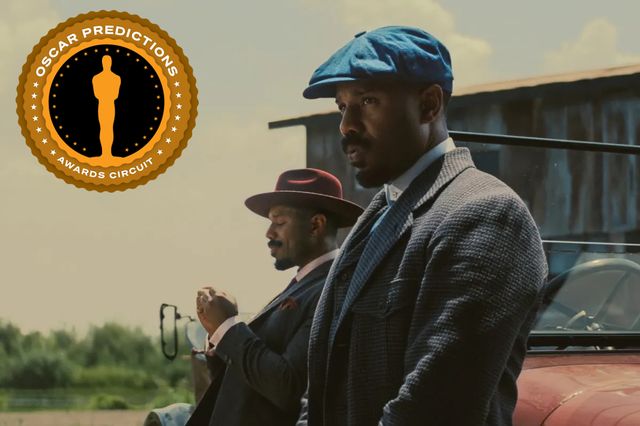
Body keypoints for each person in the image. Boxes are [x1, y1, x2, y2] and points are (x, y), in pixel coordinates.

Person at [297, 26, 548, 425]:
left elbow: (433, 409)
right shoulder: (377, 216)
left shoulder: (484, 213)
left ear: (429, 104)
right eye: (342, 107)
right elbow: (323, 390)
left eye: (367, 101)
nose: (346, 125)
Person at [186, 168, 363, 426]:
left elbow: (288, 387)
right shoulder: (304, 285)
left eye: (279, 222)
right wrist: (219, 338)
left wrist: (228, 328)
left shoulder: (333, 289)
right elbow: (253, 381)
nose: (269, 233)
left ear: (315, 225)